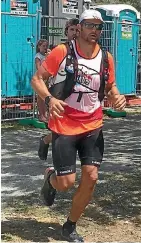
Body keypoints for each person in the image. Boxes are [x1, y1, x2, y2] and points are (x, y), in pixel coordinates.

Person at [30, 10, 126, 242]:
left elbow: (110, 86)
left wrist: (117, 96)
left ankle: (70, 225)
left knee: (91, 178)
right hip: (64, 125)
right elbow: (37, 79)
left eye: (99, 27)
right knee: (66, 183)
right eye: (90, 25)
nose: (95, 30)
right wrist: (50, 99)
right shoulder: (63, 52)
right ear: (79, 27)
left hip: (93, 124)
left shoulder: (106, 57)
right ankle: (51, 178)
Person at [38, 18, 80, 161]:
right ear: (66, 31)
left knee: (71, 131)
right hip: (59, 97)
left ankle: (46, 141)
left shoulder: (85, 52)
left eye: (77, 30)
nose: (75, 33)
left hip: (77, 100)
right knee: (60, 131)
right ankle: (45, 141)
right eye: (72, 30)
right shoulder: (60, 51)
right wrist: (46, 102)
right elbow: (40, 78)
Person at [35, 39, 50, 123]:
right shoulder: (38, 56)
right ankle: (41, 115)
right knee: (41, 97)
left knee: (46, 97)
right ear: (39, 47)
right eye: (43, 46)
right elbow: (38, 67)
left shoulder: (46, 55)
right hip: (40, 78)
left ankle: (45, 114)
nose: (45, 48)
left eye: (46, 46)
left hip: (47, 78)